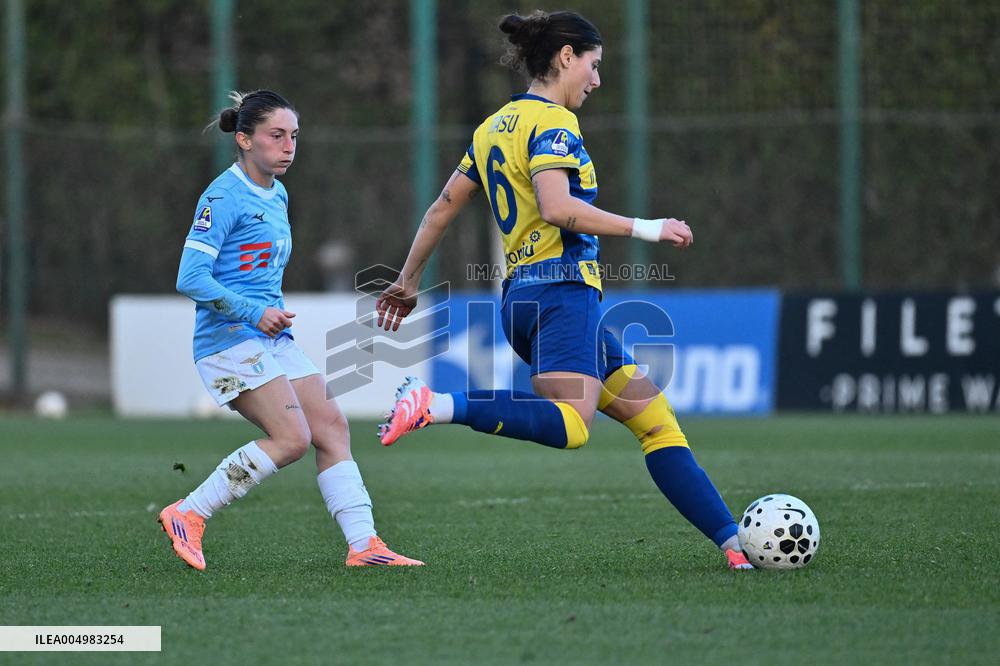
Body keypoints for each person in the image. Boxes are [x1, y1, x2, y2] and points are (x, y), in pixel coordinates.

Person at [376, 12, 752, 570]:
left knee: (655, 422)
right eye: (594, 66)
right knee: (574, 426)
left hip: (522, 301)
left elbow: (440, 210)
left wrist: (408, 280)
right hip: (563, 293)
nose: (597, 80)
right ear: (566, 57)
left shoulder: (491, 127)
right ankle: (435, 403)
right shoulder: (555, 123)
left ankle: (734, 545)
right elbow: (558, 208)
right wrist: (648, 228)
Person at [159, 90, 422, 570]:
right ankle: (188, 513)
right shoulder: (221, 197)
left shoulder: (277, 191)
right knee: (291, 439)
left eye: (294, 136)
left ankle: (364, 545)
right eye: (276, 136)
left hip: (269, 338)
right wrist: (252, 312)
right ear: (244, 139)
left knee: (331, 428)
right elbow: (190, 277)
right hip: (227, 341)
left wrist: (267, 317)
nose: (288, 146)